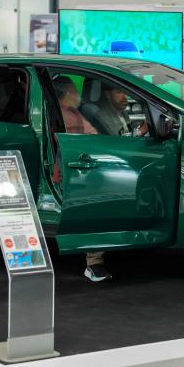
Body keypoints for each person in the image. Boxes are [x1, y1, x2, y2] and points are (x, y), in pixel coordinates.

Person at [52, 76, 112, 282]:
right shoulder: (61, 116)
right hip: (73, 170)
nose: (78, 95)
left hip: (80, 167)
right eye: (74, 91)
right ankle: (93, 263)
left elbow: (93, 135)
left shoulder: (76, 113)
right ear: (64, 94)